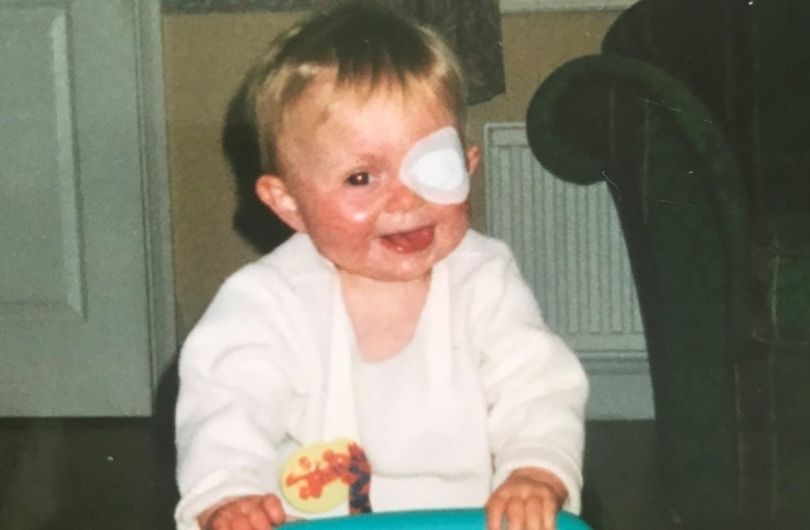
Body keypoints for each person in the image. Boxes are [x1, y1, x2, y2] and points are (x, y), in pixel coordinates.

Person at [173, 4, 588, 530]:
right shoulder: (266, 300)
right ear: (289, 204)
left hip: (466, 520)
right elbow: (227, 406)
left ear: (468, 164)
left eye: (432, 165)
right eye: (361, 178)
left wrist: (535, 472)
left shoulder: (484, 280)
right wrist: (228, 495)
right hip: (312, 522)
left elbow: (537, 387)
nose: (404, 200)